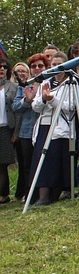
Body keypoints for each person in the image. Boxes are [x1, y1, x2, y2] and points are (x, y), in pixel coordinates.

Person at [28, 52, 73, 205]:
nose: (56, 68)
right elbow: (35, 106)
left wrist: (52, 99)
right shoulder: (45, 82)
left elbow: (70, 107)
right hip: (44, 126)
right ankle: (40, 196)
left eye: (59, 65)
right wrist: (43, 98)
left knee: (53, 162)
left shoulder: (72, 83)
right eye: (53, 65)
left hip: (61, 129)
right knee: (40, 160)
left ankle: (51, 195)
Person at [11, 61, 35, 202]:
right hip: (23, 130)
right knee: (25, 164)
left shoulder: (41, 83)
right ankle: (26, 194)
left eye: (23, 71)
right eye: (18, 71)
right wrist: (27, 100)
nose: (21, 74)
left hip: (40, 128)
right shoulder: (21, 87)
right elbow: (16, 106)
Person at [0, 57, 18, 204]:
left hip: (6, 129)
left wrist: (16, 132)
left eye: (5, 67)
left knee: (3, 163)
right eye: (0, 67)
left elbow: (17, 112)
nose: (2, 69)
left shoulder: (13, 87)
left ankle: (4, 195)